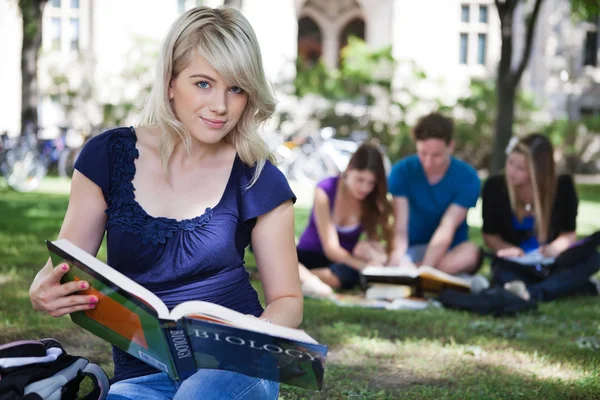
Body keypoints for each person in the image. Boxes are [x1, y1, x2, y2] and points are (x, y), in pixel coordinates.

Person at [28, 6, 301, 399]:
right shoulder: (106, 157)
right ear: (170, 82)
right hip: (140, 377)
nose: (221, 106)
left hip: (235, 369)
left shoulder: (257, 177)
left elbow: (288, 301)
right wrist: (44, 289)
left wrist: (245, 341)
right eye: (203, 83)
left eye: (236, 88)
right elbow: (65, 268)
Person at [482, 133, 599, 302]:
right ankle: (566, 287)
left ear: (538, 171)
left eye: (520, 168)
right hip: (517, 265)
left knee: (592, 258)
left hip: (553, 263)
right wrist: (507, 248)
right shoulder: (495, 187)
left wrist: (554, 249)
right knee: (502, 270)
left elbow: (568, 234)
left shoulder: (563, 187)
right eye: (510, 162)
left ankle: (535, 292)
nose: (511, 171)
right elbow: (490, 236)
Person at [387, 112, 482, 275]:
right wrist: (397, 257)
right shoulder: (401, 171)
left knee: (471, 252)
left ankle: (424, 275)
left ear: (450, 146)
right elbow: (400, 227)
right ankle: (430, 277)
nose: (428, 162)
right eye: (423, 154)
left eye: (436, 155)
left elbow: (447, 227)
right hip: (411, 248)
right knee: (367, 249)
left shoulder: (468, 177)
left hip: (448, 251)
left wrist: (426, 267)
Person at [296, 142, 393, 296]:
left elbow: (373, 240)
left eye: (371, 183)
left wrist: (373, 257)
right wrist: (363, 266)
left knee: (342, 276)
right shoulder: (325, 189)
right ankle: (297, 274)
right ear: (348, 171)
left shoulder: (371, 201)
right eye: (360, 179)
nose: (365, 188)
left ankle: (297, 276)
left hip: (341, 265)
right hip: (310, 253)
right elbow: (331, 249)